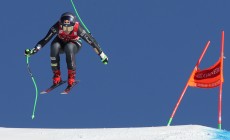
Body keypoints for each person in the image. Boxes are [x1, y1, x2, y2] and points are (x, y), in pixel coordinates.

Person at [25, 12, 108, 87]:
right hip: (61, 42)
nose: (66, 30)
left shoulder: (78, 29)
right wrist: (34, 50)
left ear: (73, 25)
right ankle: (57, 75)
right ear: (61, 25)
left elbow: (92, 42)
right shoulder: (56, 27)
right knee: (54, 47)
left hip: (74, 44)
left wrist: (102, 54)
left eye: (69, 28)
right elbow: (45, 40)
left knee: (69, 47)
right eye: (64, 27)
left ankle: (71, 77)